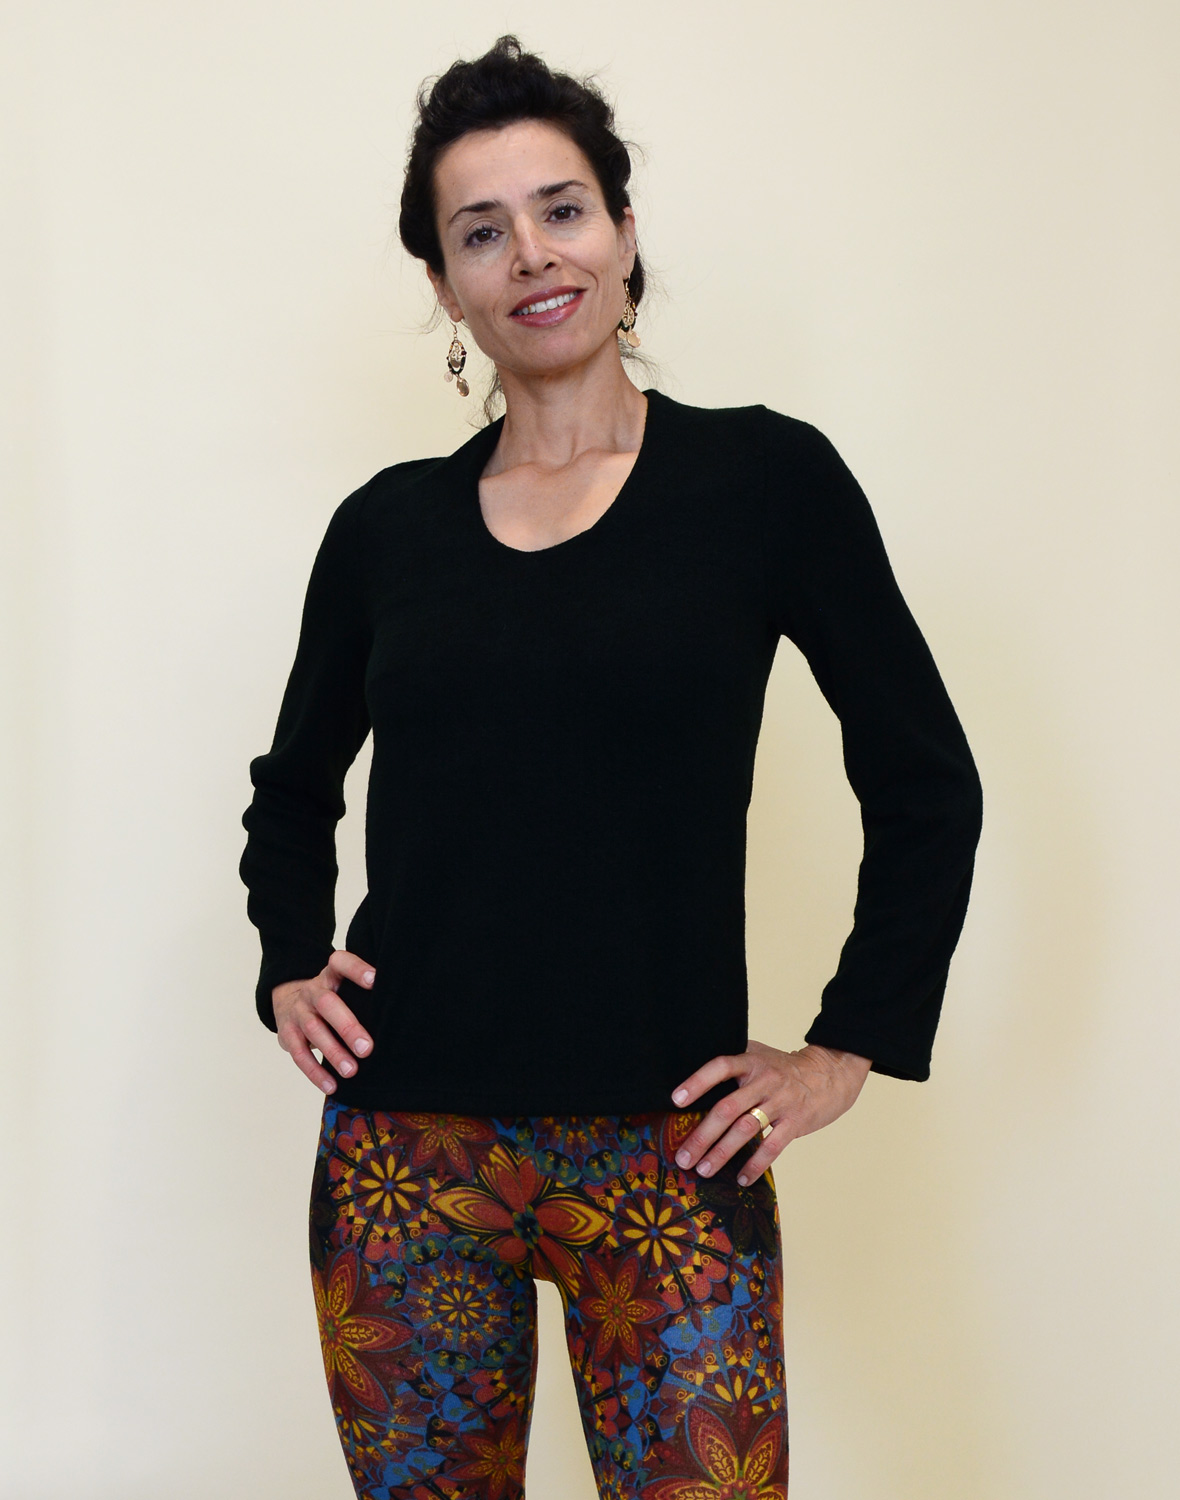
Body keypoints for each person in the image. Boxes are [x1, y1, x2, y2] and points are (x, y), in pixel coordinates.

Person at [239, 34, 983, 1500]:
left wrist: (848, 1044)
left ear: (625, 234)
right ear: (448, 286)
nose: (531, 253)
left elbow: (925, 779)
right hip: (407, 1155)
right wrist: (285, 958)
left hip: (673, 1156)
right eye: (480, 231)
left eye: (562, 209)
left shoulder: (766, 483)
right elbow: (294, 783)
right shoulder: (387, 529)